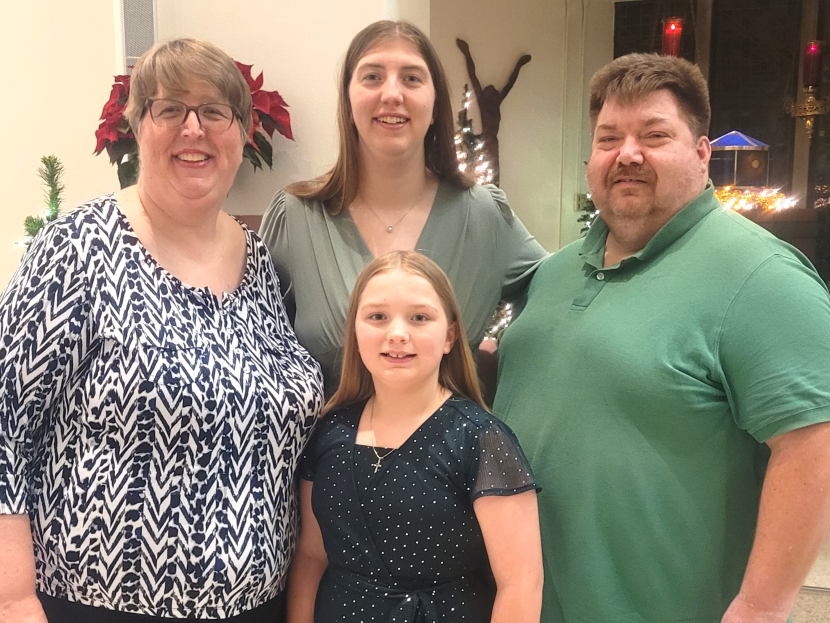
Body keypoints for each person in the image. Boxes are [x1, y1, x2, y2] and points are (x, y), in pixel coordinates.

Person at [493, 53, 830, 623]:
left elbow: (813, 444)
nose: (627, 153)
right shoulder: (554, 272)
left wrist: (761, 607)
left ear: (702, 155)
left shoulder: (763, 277)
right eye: (608, 138)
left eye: (654, 135)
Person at [0, 38, 323, 622]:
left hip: (259, 606)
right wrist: (12, 598)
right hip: (96, 607)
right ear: (138, 127)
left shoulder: (260, 263)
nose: (193, 128)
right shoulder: (80, 249)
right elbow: (5, 426)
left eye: (215, 111)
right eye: (169, 108)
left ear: (244, 131)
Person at [259, 20, 547, 396]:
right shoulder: (296, 218)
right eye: (372, 77)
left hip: (455, 452)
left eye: (411, 78)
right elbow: (254, 344)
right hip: (324, 452)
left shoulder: (484, 216)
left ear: (435, 106)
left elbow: (560, 298)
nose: (392, 93)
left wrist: (507, 356)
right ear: (347, 103)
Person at [288, 250, 543, 623]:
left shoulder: (481, 440)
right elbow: (312, 556)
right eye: (377, 316)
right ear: (355, 330)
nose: (397, 334)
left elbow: (521, 583)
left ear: (449, 336)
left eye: (419, 318)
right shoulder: (330, 431)